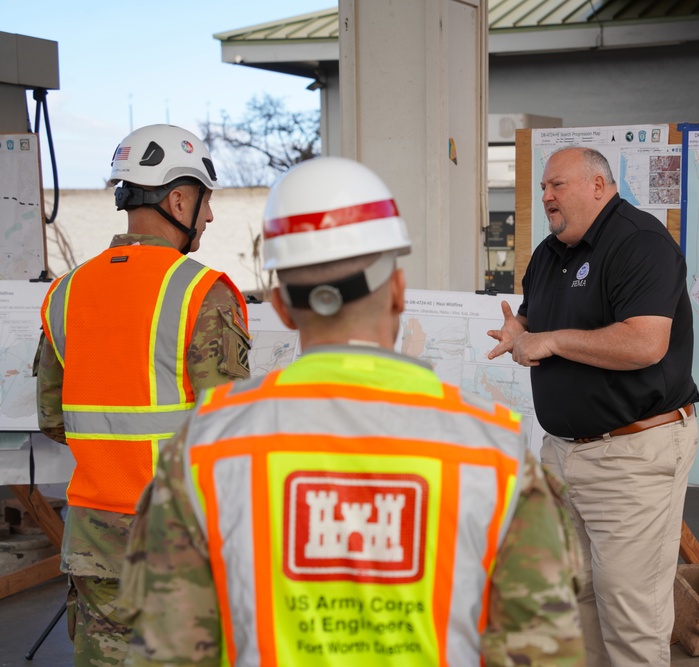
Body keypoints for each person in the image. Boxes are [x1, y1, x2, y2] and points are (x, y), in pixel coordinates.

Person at [119, 156, 585, 666]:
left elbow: (171, 650)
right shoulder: (495, 452)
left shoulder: (205, 448)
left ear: (280, 305)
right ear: (399, 292)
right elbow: (540, 652)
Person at [34, 123, 251, 666]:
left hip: (91, 546)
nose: (208, 216)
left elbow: (51, 418)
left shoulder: (65, 293)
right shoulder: (202, 293)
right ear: (178, 197)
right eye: (204, 201)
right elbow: (228, 433)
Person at [487, 145, 699, 666]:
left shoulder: (641, 244)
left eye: (557, 185)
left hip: (632, 452)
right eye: (543, 188)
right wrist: (521, 330)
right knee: (574, 602)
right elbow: (537, 325)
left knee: (630, 612)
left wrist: (552, 341)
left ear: (599, 186)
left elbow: (645, 342)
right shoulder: (548, 253)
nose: (546, 197)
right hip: (562, 455)